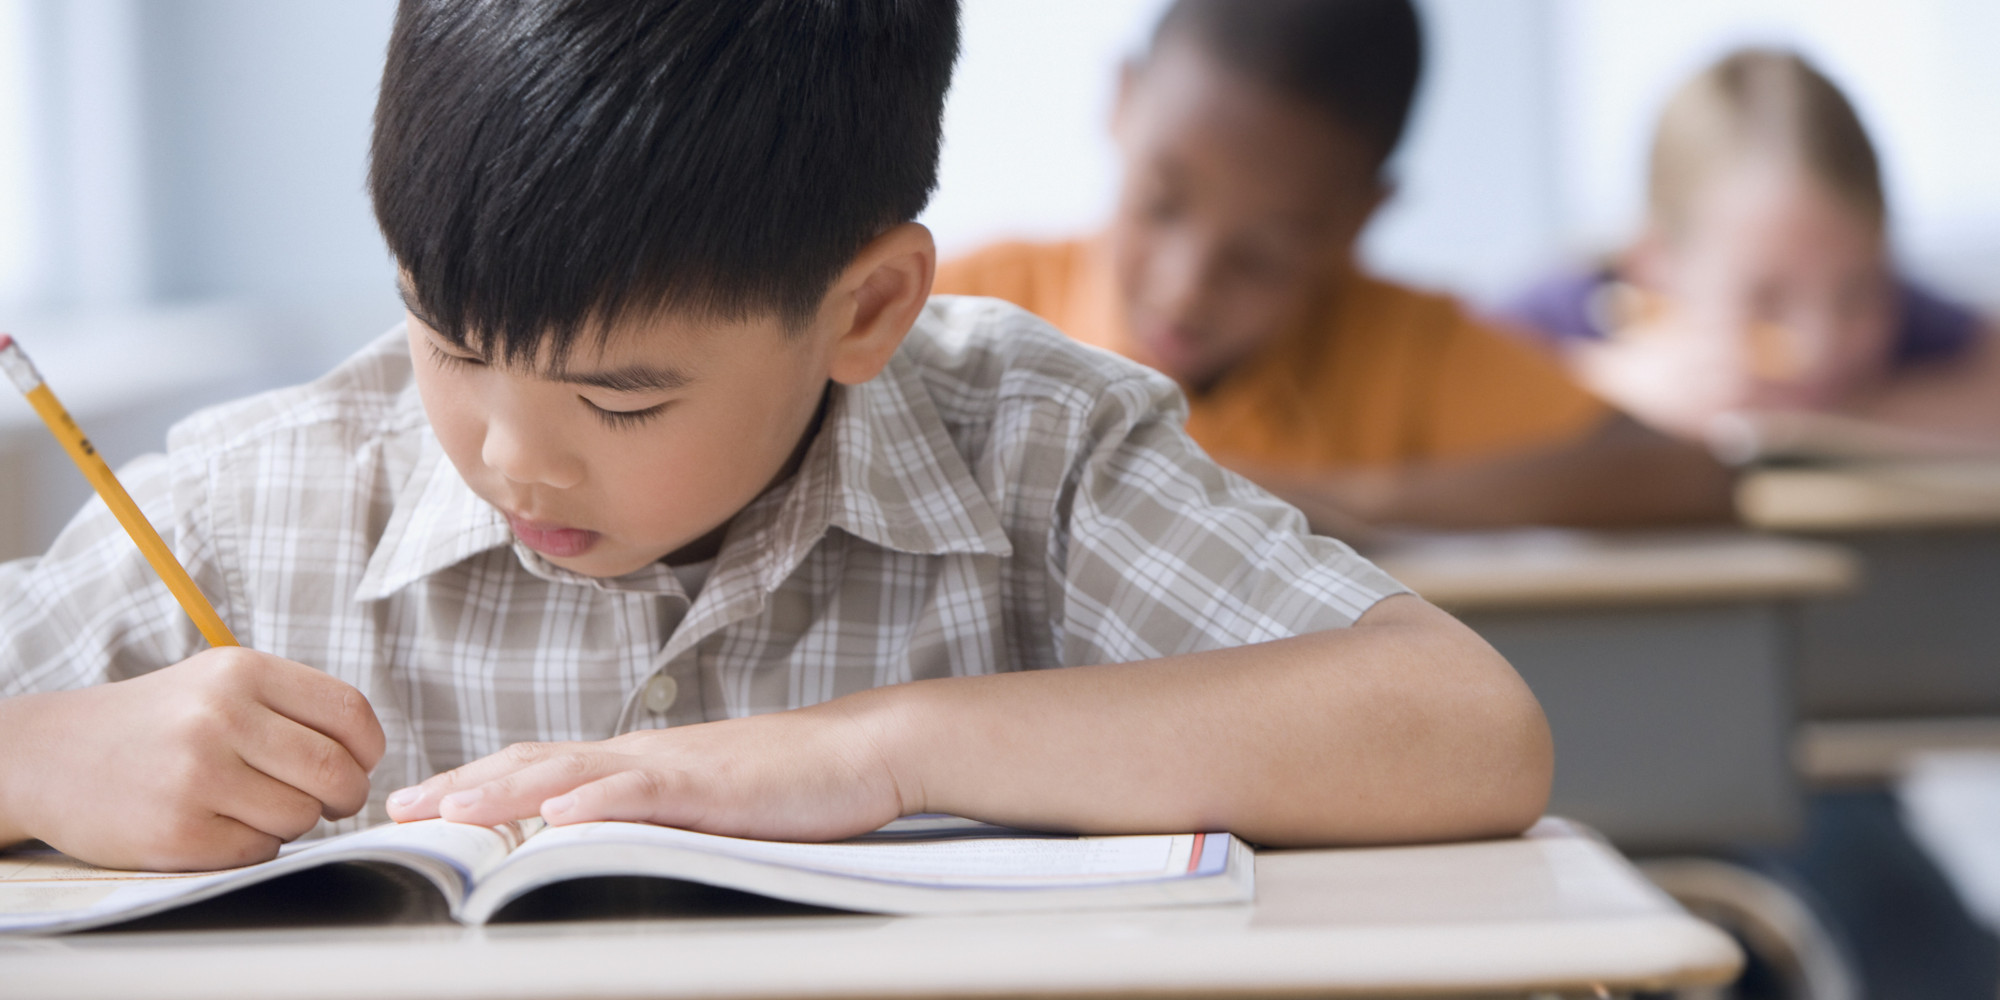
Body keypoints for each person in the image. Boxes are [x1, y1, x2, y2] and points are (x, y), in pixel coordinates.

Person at [0, 0, 1550, 873]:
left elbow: (1466, 727)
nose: (512, 456)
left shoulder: (1030, 455)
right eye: (449, 342)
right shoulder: (248, 506)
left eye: (623, 398)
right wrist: (33, 757)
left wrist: (880, 754)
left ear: (865, 308)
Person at [935, 0, 1733, 532]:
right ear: (1121, 101)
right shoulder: (972, 306)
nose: (1185, 289)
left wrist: (1350, 503)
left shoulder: (1404, 349)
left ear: (1358, 218)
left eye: (1261, 257)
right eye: (1159, 203)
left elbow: (1686, 478)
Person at [1506, 48, 2000, 461]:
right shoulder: (1549, 322)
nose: (1819, 344)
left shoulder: (1899, 315)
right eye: (1766, 298)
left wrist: (1834, 425)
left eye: (1855, 294)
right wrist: (1609, 398)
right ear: (1654, 265)